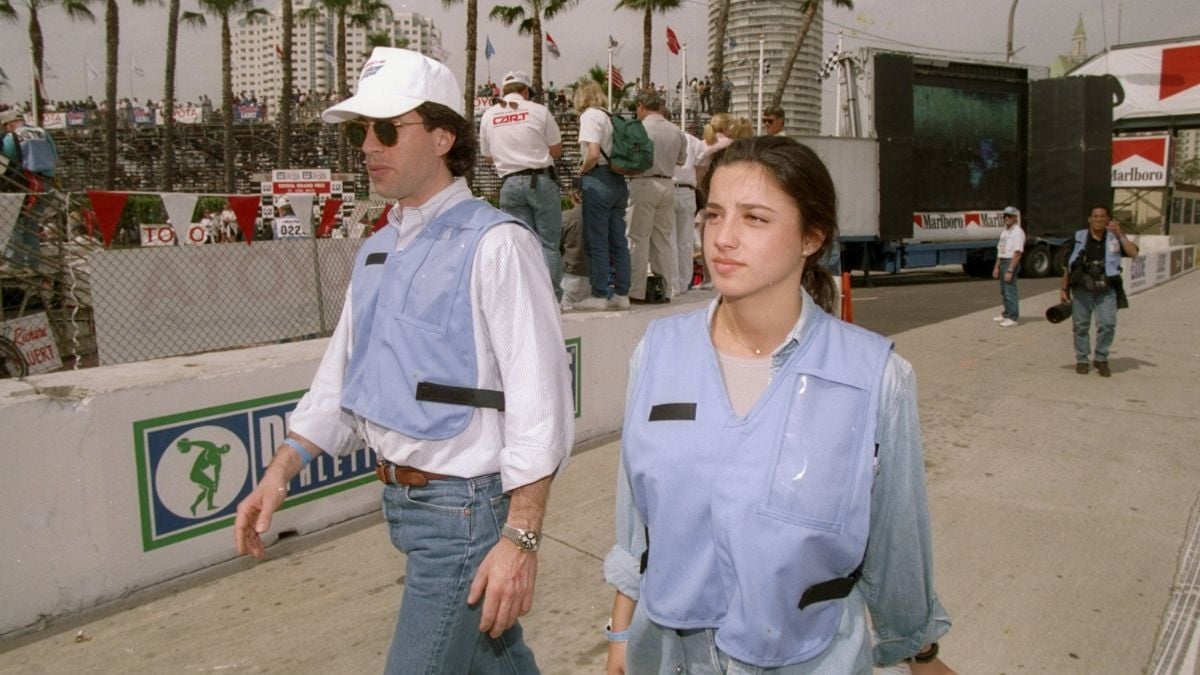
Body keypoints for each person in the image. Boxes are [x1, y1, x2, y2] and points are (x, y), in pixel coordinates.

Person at [232, 48, 574, 674]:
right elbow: (344, 375)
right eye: (361, 131)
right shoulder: (378, 249)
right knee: (497, 660)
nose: (367, 145)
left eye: (386, 128)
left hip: (464, 517)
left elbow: (541, 400)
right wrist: (281, 470)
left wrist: (520, 538)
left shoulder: (497, 244)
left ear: (443, 136)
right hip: (409, 512)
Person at [603, 136, 954, 674]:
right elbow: (638, 522)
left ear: (811, 237)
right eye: (713, 214)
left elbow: (895, 538)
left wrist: (918, 650)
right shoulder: (658, 351)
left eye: (755, 219)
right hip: (671, 655)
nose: (723, 237)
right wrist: (621, 634)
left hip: (807, 659)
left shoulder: (875, 378)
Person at [479, 69, 565, 301]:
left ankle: (524, 300)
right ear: (525, 91)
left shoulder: (489, 115)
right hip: (540, 180)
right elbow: (556, 150)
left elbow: (488, 156)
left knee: (518, 247)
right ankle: (551, 300)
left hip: (509, 183)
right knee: (548, 244)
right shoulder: (539, 111)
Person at [1060, 204, 1138, 377]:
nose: (1099, 220)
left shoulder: (1114, 238)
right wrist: (1064, 288)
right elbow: (1067, 265)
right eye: (1095, 217)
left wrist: (1121, 234)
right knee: (1080, 326)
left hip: (1106, 288)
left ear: (1108, 219)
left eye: (1103, 217)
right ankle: (1082, 359)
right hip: (1082, 288)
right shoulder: (1078, 238)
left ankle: (1101, 358)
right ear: (1089, 219)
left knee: (1107, 324)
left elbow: (1133, 253)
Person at [573, 80, 632, 311]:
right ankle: (622, 293)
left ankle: (599, 294)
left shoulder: (589, 116)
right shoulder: (610, 116)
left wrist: (581, 171)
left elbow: (593, 152)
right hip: (617, 180)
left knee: (597, 239)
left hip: (598, 179)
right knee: (619, 240)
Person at [625, 88, 687, 304]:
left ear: (641, 107)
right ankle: (664, 290)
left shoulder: (638, 129)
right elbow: (681, 160)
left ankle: (637, 291)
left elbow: (629, 159)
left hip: (644, 181)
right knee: (663, 240)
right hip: (667, 182)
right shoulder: (676, 131)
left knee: (638, 239)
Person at [2, 108, 59, 270]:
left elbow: (6, 162)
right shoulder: (42, 132)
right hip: (48, 183)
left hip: (28, 184)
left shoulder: (11, 137)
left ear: (9, 125)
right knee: (31, 225)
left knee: (13, 222)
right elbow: (55, 160)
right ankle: (32, 264)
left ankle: (15, 263)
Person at [672, 128, 704, 296]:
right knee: (685, 239)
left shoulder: (666, 135)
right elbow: (701, 166)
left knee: (669, 238)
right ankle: (684, 282)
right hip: (688, 189)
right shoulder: (694, 141)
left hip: (670, 186)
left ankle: (673, 283)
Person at [992, 205, 1024, 327]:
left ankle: (1013, 317)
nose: (1006, 218)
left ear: (1015, 217)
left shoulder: (1017, 232)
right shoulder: (1005, 232)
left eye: (1009, 216)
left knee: (1010, 290)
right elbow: (1000, 250)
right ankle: (1006, 313)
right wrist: (996, 267)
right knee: (1004, 291)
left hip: (1011, 262)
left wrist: (1010, 270)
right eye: (1005, 216)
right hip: (1003, 261)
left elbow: (1017, 253)